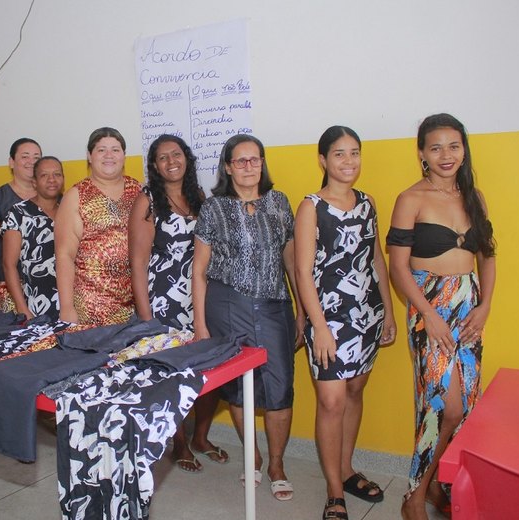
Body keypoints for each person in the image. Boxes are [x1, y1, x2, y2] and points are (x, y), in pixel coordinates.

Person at [387, 113, 496, 520]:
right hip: (427, 304)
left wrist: (485, 306)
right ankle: (413, 495)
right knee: (442, 406)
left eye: (453, 146)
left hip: (469, 305)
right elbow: (399, 267)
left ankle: (436, 484)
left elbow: (487, 255)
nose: (445, 155)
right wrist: (427, 314)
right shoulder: (410, 198)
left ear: (464, 149)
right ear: (422, 154)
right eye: (435, 147)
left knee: (465, 406)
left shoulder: (475, 197)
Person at [192, 134, 303, 501]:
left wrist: (301, 309)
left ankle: (276, 465)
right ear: (227, 167)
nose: (249, 167)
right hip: (227, 307)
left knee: (280, 386)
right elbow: (199, 270)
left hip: (274, 305)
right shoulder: (213, 209)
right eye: (240, 161)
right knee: (238, 389)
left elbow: (291, 260)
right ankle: (252, 457)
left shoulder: (279, 202)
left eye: (255, 160)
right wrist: (200, 325)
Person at [294, 126, 397, 519]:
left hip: (366, 313)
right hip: (328, 319)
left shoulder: (368, 203)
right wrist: (318, 327)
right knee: (331, 400)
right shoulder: (311, 207)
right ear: (323, 160)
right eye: (339, 154)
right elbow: (303, 273)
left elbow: (375, 260)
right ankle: (334, 491)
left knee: (355, 390)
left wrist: (387, 309)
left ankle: (346, 467)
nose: (348, 161)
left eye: (355, 153)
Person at [128, 134, 228, 473]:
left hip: (199, 296)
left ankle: (200, 436)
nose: (171, 160)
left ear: (186, 158)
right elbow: (138, 263)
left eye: (176, 153)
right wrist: (146, 319)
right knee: (174, 374)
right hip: (163, 299)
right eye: (162, 157)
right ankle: (179, 442)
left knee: (207, 368)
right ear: (154, 166)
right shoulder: (148, 202)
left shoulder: (198, 196)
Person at [55, 127, 140, 325]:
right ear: (89, 156)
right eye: (101, 150)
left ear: (124, 156)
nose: (109, 155)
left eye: (115, 150)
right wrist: (66, 308)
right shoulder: (76, 196)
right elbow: (64, 255)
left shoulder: (138, 190)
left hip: (137, 304)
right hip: (91, 305)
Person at [0, 138, 42, 311]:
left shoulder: (51, 196)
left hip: (44, 286)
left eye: (37, 157)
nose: (31, 162)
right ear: (11, 162)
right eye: (25, 156)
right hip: (8, 288)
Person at [2, 156, 64, 320]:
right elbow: (9, 265)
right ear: (34, 182)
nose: (52, 180)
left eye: (57, 174)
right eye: (44, 175)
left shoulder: (70, 209)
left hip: (72, 304)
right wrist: (23, 309)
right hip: (36, 304)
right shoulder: (19, 213)